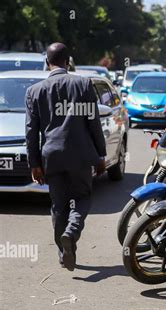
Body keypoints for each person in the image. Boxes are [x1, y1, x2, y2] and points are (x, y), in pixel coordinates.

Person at [25, 43, 106, 271]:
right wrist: (100, 154)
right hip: (80, 155)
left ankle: (64, 253)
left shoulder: (34, 91)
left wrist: (35, 164)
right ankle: (71, 232)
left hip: (51, 157)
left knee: (58, 205)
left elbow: (31, 131)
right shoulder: (82, 84)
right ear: (68, 61)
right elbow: (94, 122)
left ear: (46, 63)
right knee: (82, 197)